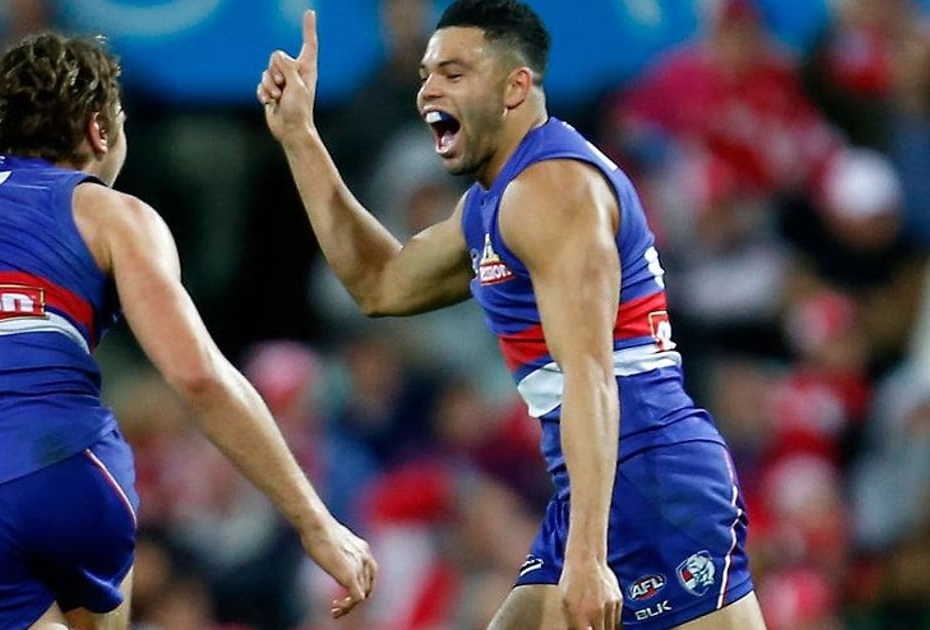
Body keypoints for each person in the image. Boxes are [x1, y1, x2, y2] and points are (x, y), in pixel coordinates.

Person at [0, 32, 376, 629]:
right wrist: (315, 521)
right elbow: (197, 375)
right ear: (100, 130)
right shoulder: (108, 212)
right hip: (70, 475)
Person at [258, 1, 767, 628]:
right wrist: (301, 139)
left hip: (652, 481)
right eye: (425, 74)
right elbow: (380, 285)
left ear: (515, 87)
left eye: (453, 73)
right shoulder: (492, 203)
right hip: (601, 485)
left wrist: (587, 555)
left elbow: (591, 375)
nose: (428, 90)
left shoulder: (552, 191)